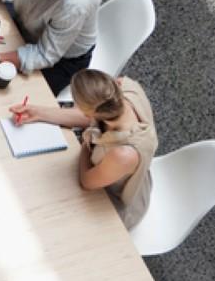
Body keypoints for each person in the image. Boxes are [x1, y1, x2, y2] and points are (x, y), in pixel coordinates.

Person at [9, 70, 157, 228]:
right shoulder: (123, 88)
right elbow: (91, 119)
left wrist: (86, 143)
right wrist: (38, 113)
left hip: (114, 200)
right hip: (112, 170)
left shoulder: (123, 154)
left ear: (88, 112)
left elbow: (87, 181)